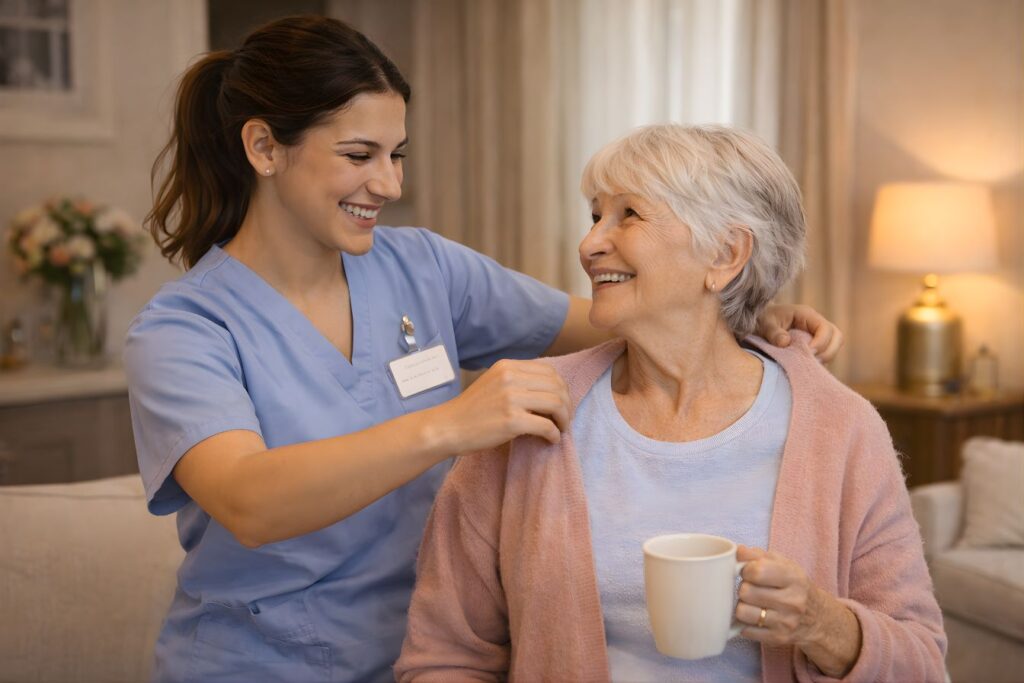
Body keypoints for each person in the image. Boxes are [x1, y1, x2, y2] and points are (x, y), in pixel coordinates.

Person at [126, 17, 842, 683]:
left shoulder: (423, 268)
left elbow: (611, 320)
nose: (389, 184)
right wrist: (454, 424)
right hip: (262, 664)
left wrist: (741, 311)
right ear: (263, 147)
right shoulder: (184, 329)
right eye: (359, 155)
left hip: (433, 655)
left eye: (397, 155)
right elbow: (251, 501)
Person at [395, 124, 947, 682]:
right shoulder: (527, 416)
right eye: (595, 216)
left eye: (629, 214)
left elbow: (922, 662)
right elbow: (445, 656)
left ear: (726, 254)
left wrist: (822, 624)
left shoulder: (840, 427)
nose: (589, 245)